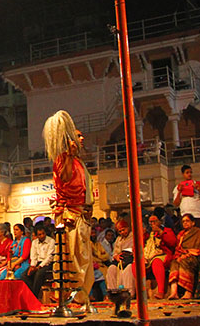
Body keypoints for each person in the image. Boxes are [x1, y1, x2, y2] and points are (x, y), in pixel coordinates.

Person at [42, 111, 94, 308]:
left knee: (83, 257)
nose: (82, 138)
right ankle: (71, 297)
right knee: (72, 257)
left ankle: (81, 297)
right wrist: (69, 156)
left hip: (82, 214)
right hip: (70, 215)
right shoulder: (62, 159)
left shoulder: (79, 161)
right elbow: (64, 180)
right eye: (78, 136)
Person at [167, 214, 200, 299]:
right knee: (174, 263)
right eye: (183, 221)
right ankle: (174, 292)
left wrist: (187, 254)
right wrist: (179, 256)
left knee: (186, 262)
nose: (185, 223)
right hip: (181, 255)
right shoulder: (181, 234)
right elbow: (178, 248)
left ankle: (188, 291)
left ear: (193, 222)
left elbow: (198, 247)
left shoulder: (198, 232)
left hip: (194, 256)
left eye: (187, 221)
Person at [144, 214, 176, 299]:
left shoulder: (167, 230)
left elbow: (172, 243)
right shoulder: (148, 234)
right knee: (135, 265)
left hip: (162, 255)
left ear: (159, 222)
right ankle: (140, 292)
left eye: (154, 221)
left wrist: (160, 232)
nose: (152, 223)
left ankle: (161, 291)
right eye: (150, 222)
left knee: (156, 262)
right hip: (148, 256)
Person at [22, 226, 55, 298]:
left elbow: (49, 257)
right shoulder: (34, 242)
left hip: (47, 263)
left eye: (43, 233)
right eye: (40, 234)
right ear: (37, 236)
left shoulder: (51, 241)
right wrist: (33, 266)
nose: (42, 236)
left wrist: (38, 267)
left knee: (38, 274)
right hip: (37, 263)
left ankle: (34, 296)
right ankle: (32, 294)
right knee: (24, 275)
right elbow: (33, 256)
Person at [106, 220, 135, 296]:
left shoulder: (134, 237)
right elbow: (115, 252)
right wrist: (117, 256)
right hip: (119, 260)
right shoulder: (118, 239)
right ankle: (113, 293)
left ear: (128, 228)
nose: (122, 232)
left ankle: (129, 293)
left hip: (130, 260)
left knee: (128, 270)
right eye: (120, 231)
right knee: (111, 269)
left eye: (123, 230)